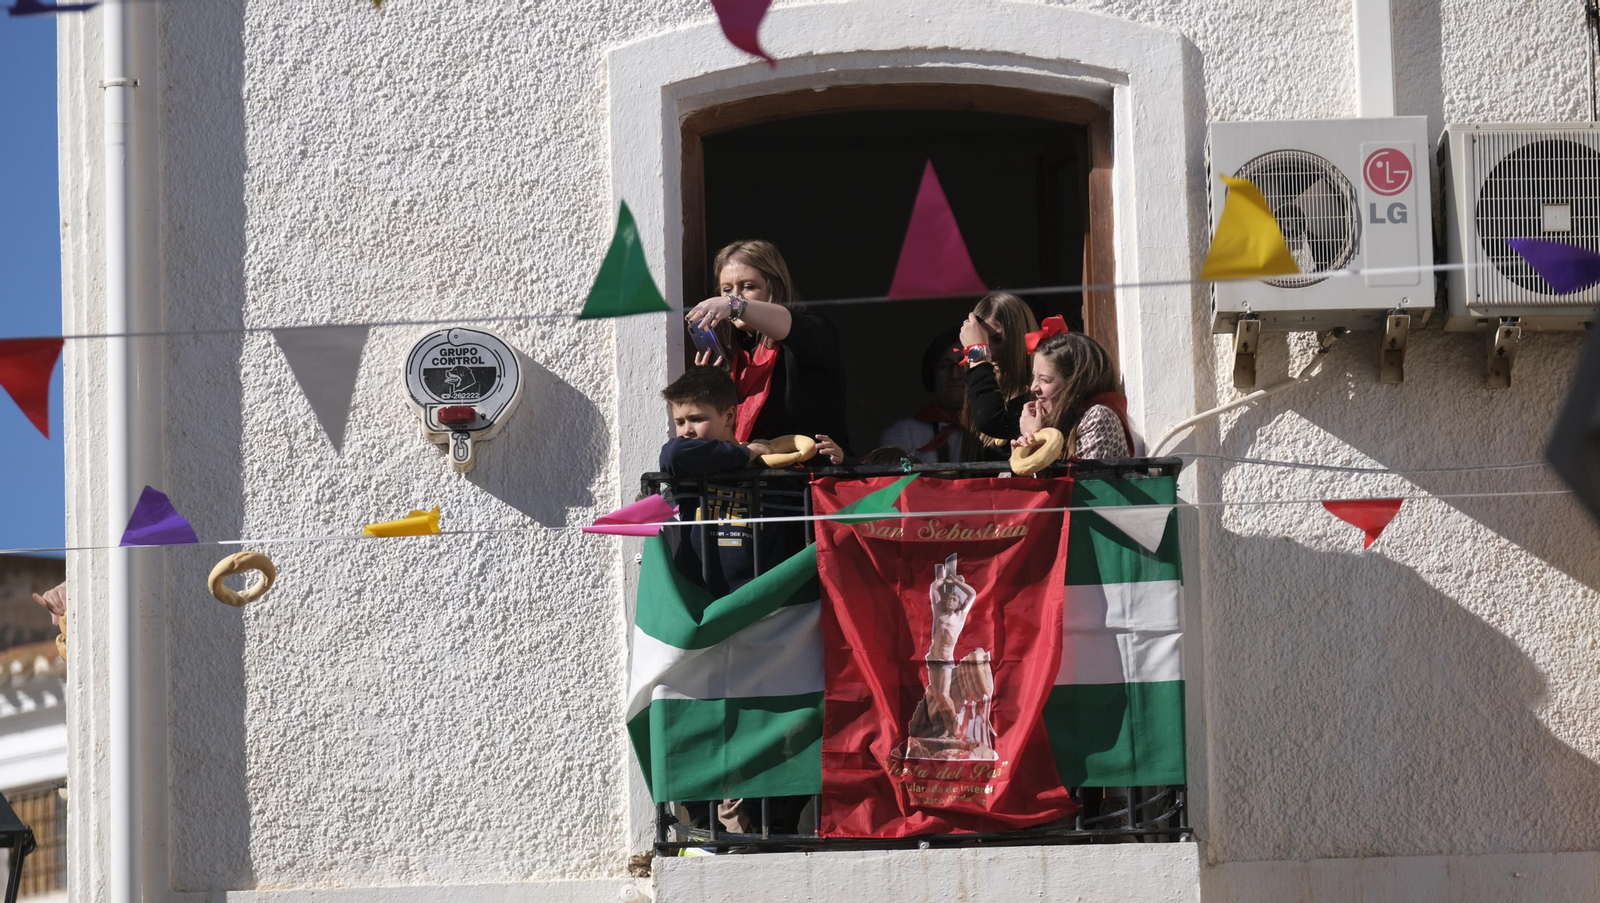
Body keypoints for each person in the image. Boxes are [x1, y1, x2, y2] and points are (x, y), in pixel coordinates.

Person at [655, 366, 808, 836]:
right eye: (680, 420)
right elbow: (673, 454)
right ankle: (705, 825)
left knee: (773, 720)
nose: (686, 430)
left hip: (767, 618)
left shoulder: (771, 470)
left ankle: (771, 824)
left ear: (729, 415)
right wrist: (744, 452)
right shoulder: (694, 460)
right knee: (702, 718)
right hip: (708, 615)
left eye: (697, 419)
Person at [684, 240, 850, 462]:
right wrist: (709, 392)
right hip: (749, 478)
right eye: (727, 290)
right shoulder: (730, 352)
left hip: (810, 477)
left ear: (775, 289)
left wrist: (735, 306)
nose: (735, 297)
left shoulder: (815, 329)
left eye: (748, 287)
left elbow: (791, 326)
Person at [1013, 331, 1134, 460]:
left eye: (1045, 380)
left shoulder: (1099, 417)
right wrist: (1020, 456)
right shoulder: (1056, 421)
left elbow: (1085, 473)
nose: (1033, 387)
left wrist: (1036, 441)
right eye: (1034, 377)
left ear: (1077, 384)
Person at [956, 292, 1040, 456]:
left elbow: (990, 420)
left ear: (1018, 337)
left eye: (998, 339)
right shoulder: (977, 393)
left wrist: (978, 354)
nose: (990, 351)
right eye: (983, 341)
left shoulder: (1039, 395)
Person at [878, 329, 969, 465]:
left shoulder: (994, 431)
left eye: (963, 364)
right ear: (932, 375)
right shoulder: (904, 434)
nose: (955, 375)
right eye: (944, 366)